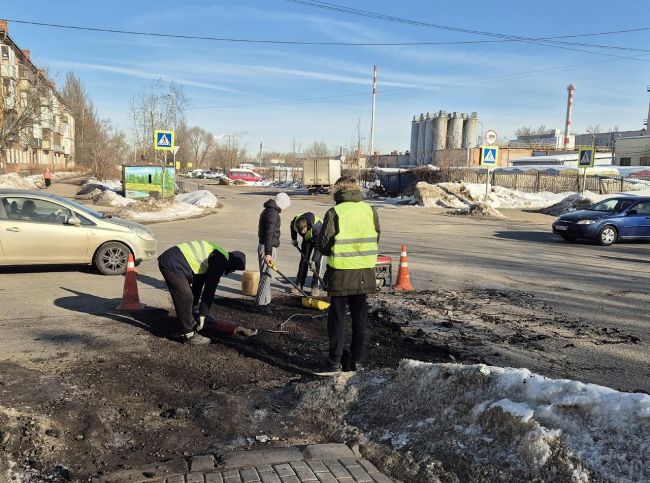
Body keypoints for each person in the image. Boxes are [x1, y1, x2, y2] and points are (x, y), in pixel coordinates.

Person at [317, 177, 380, 373]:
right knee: (359, 319)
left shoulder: (335, 212)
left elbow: (324, 246)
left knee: (337, 319)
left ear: (338, 191)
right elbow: (376, 236)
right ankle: (357, 360)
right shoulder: (370, 210)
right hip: (364, 272)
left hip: (340, 273)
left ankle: (334, 361)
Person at [158, 241, 246, 345]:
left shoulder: (213, 257)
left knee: (188, 297)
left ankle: (185, 323)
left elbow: (198, 284)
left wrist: (195, 310)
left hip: (173, 258)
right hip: (172, 263)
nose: (230, 273)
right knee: (185, 297)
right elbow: (209, 289)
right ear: (231, 264)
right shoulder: (220, 260)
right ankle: (189, 334)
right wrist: (203, 314)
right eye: (233, 270)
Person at [256, 192, 291, 313]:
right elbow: (269, 234)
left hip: (267, 247)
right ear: (282, 203)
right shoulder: (273, 214)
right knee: (266, 276)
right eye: (286, 205)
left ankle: (267, 301)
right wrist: (268, 253)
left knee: (268, 276)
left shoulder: (269, 211)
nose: (286, 208)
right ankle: (261, 304)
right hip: (267, 248)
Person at [289, 212, 325, 297]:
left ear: (306, 225)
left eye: (304, 229)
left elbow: (318, 247)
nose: (302, 231)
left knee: (317, 263)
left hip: (319, 238)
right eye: (300, 229)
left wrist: (313, 260)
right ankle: (299, 283)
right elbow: (292, 227)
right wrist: (294, 239)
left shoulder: (317, 226)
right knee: (304, 260)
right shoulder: (295, 223)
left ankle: (315, 286)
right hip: (307, 238)